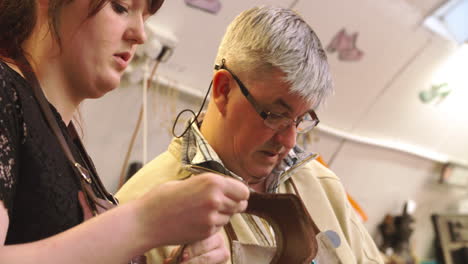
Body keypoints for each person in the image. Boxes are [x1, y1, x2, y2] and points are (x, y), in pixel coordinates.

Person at [117, 5, 385, 264]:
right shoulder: (142, 210)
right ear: (223, 90)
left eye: (300, 120)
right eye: (275, 115)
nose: (290, 141)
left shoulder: (323, 185)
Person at [0, 1, 250, 263]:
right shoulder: (6, 96)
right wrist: (143, 222)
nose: (140, 34)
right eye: (121, 7)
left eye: (145, 17)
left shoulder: (67, 145)